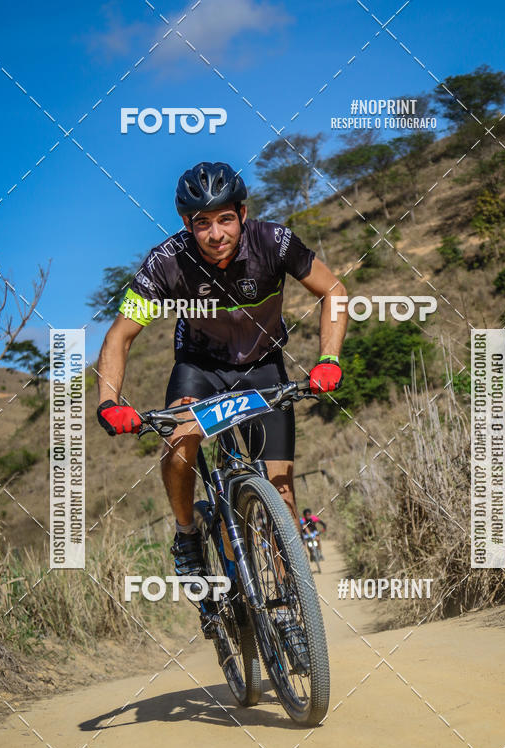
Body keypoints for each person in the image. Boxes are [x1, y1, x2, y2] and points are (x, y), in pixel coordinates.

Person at [95, 161, 348, 645]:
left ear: (243, 214)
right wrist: (110, 403)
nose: (215, 233)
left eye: (225, 219)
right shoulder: (166, 262)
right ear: (186, 226)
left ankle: (288, 613)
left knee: (283, 490)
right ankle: (188, 532)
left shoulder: (273, 242)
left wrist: (329, 359)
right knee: (180, 441)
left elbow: (333, 290)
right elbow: (120, 336)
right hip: (200, 368)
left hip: (262, 365)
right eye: (201, 223)